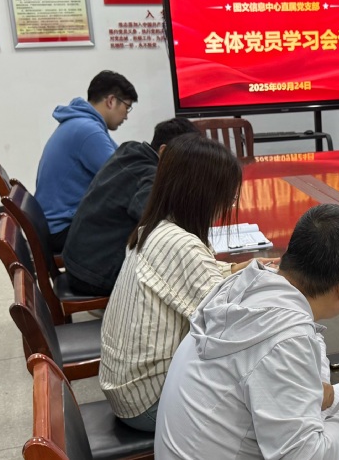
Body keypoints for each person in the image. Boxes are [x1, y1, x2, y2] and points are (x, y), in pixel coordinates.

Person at [155, 204, 339, 459]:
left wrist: (315, 387)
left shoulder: (247, 284)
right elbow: (306, 455)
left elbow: (308, 336)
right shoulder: (285, 339)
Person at [99, 134, 255, 431]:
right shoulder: (181, 244)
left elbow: (199, 276)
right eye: (228, 195)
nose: (227, 204)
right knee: (262, 398)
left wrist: (238, 268)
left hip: (126, 387)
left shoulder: (155, 227)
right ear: (203, 194)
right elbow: (229, 325)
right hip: (147, 403)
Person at [62, 117, 200, 297]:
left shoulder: (130, 150)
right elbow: (158, 226)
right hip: (94, 276)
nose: (189, 168)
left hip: (78, 261)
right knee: (182, 278)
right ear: (164, 151)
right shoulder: (149, 176)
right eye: (187, 159)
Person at [35, 70, 138, 253]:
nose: (126, 116)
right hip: (63, 229)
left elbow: (121, 160)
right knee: (141, 230)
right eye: (127, 107)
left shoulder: (82, 123)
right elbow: (123, 176)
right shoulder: (88, 130)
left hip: (56, 224)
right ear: (111, 101)